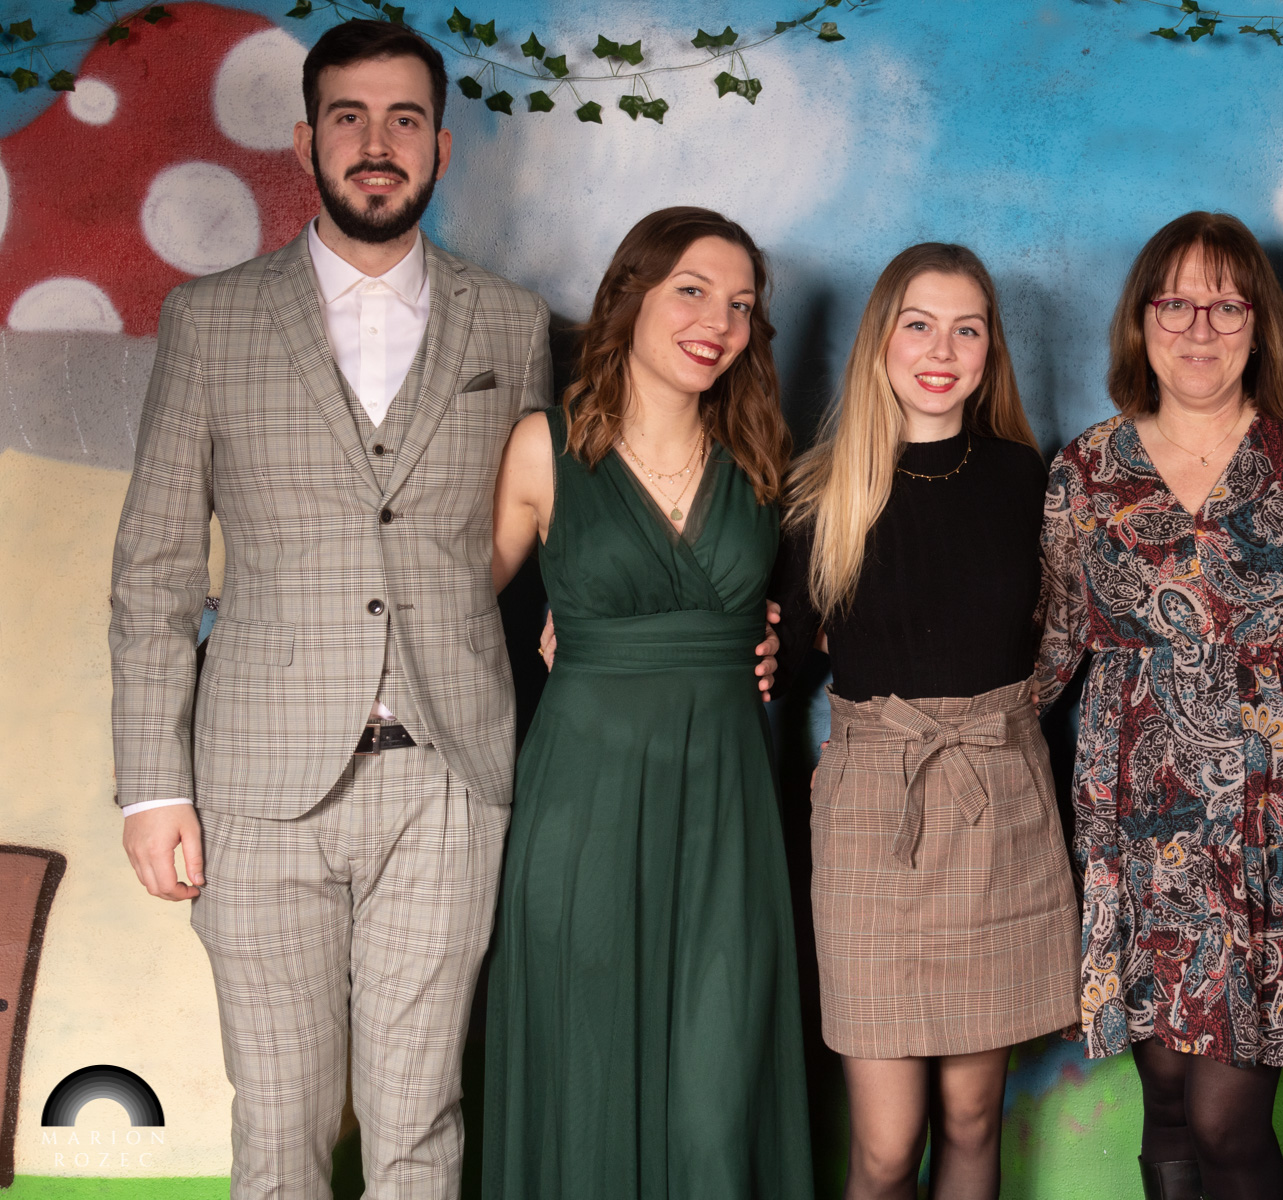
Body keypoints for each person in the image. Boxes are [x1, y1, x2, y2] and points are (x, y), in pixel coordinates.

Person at [109, 20, 552, 1197]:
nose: (376, 143)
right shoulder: (210, 320)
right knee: (283, 1128)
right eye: (349, 117)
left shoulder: (512, 324)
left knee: (419, 1124)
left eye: (405, 118)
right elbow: (156, 566)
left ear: (441, 148)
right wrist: (152, 785)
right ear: (306, 143)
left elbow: (553, 529)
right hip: (255, 789)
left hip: (449, 779)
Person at [1035, 212, 1283, 1200]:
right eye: (1175, 303)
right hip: (1139, 833)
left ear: (1260, 323)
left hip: (1280, 832)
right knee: (1171, 1107)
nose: (1199, 328)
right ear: (1141, 321)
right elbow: (1051, 644)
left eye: (1226, 306)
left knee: (1229, 1123)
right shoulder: (1087, 471)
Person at [484, 207, 812, 1198]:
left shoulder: (764, 458)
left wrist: (783, 637)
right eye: (693, 291)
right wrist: (565, 628)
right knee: (586, 1079)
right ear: (630, 295)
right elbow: (446, 612)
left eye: (742, 305)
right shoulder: (542, 447)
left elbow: (832, 607)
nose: (719, 321)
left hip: (726, 814)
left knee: (719, 1095)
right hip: (582, 805)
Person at [769, 244, 1080, 1200]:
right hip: (874, 818)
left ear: (991, 351)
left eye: (966, 330)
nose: (942, 351)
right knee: (885, 1147)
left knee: (973, 1118)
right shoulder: (820, 492)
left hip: (999, 802)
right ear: (880, 340)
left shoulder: (1026, 479)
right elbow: (774, 665)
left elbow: (1065, 634)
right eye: (919, 325)